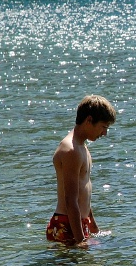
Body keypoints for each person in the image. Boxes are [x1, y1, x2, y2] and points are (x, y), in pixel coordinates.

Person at [46, 95, 117, 246]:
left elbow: (83, 191)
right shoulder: (71, 150)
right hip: (67, 224)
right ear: (89, 120)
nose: (105, 133)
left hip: (78, 223)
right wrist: (80, 240)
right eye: (103, 127)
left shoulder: (82, 147)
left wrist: (93, 227)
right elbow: (70, 199)